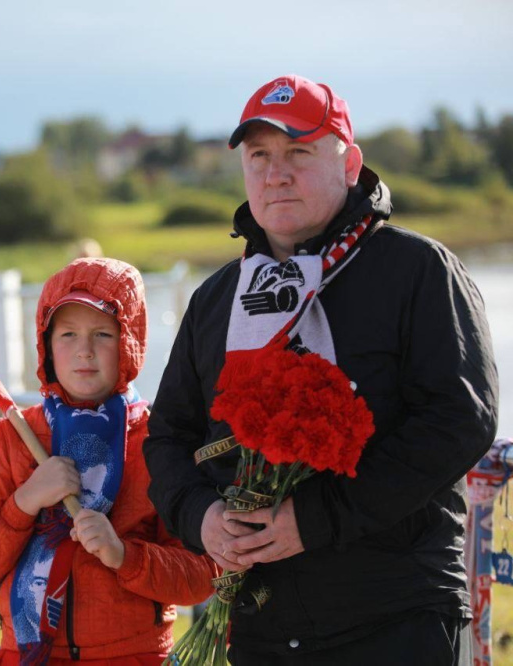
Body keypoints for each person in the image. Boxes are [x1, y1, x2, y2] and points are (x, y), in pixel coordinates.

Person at [143, 74, 499, 664]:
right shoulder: (218, 298)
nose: (275, 173)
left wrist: (312, 519)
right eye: (259, 156)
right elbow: (169, 437)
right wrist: (200, 518)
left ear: (350, 164)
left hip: (398, 617)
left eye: (299, 152)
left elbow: (460, 421)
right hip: (261, 625)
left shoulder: (418, 271)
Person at [0, 257, 215, 665]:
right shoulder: (14, 437)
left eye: (103, 334)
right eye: (68, 333)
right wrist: (25, 501)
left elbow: (202, 575)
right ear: (47, 344)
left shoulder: (161, 440)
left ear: (130, 340)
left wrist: (124, 555)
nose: (84, 351)